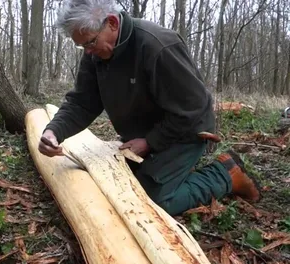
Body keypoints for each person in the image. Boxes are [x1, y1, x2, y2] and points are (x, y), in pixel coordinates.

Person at [38, 0, 261, 216]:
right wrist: (53, 132)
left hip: (186, 132)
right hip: (144, 133)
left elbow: (194, 107)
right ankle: (167, 170)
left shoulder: (158, 46)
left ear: (113, 23)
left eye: (89, 43)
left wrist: (150, 142)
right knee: (122, 183)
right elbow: (82, 102)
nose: (86, 51)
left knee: (152, 200)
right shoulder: (96, 52)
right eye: (81, 45)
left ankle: (225, 175)